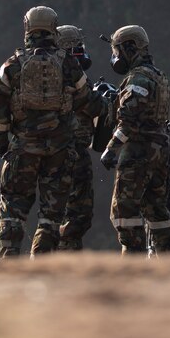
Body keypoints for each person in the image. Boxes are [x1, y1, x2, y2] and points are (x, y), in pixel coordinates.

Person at [0, 6, 91, 259]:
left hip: (23, 148)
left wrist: (3, 145)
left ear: (27, 28)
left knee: (13, 206)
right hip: (60, 151)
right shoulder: (68, 63)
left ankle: (7, 258)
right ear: (54, 28)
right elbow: (86, 100)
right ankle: (43, 262)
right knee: (51, 213)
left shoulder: (12, 65)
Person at [100, 24, 170, 255]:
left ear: (130, 48)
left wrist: (111, 149)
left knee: (123, 212)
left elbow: (129, 121)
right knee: (157, 210)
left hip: (138, 154)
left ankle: (134, 260)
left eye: (117, 51)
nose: (116, 57)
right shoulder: (158, 76)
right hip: (159, 152)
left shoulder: (137, 79)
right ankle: (166, 259)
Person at [56, 24, 100, 250]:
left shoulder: (42, 73)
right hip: (73, 152)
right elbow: (92, 106)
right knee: (78, 214)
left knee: (53, 213)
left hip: (49, 151)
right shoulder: (73, 75)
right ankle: (65, 256)